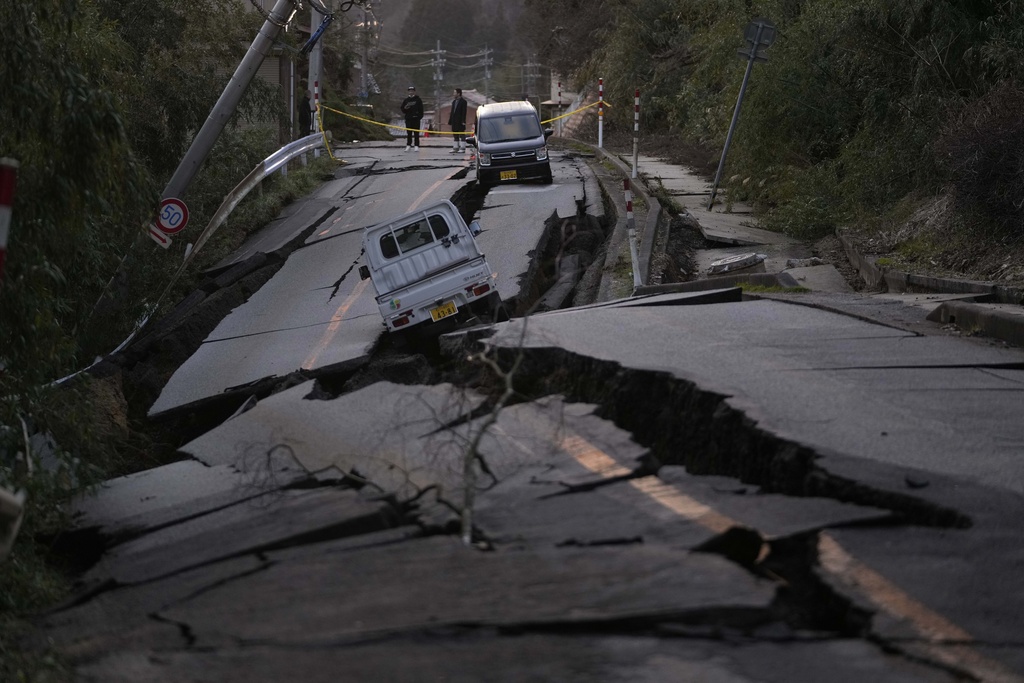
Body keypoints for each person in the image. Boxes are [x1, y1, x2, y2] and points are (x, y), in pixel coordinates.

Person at [400, 85, 424, 151]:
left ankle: (416, 145)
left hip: (416, 119)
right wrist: (405, 109)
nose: (411, 92)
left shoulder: (418, 100)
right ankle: (408, 145)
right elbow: (402, 109)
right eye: (410, 91)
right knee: (409, 133)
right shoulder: (406, 100)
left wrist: (418, 117)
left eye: (412, 91)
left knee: (416, 133)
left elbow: (421, 110)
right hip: (408, 119)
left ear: (414, 91)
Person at [448, 88, 467, 153]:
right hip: (454, 121)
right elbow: (452, 112)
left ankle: (462, 148)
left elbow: (464, 112)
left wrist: (463, 121)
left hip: (460, 121)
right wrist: (450, 121)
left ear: (458, 93)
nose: (454, 94)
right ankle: (455, 148)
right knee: (455, 134)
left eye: (455, 93)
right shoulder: (454, 102)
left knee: (462, 134)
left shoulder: (463, 102)